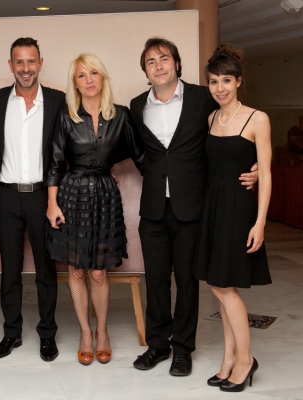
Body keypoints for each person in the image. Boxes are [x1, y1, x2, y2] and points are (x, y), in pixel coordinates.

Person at [129, 37, 258, 376]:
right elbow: (142, 151)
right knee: (155, 281)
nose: (158, 65)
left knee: (187, 282)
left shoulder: (204, 98)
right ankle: (157, 345)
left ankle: (183, 349)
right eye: (151, 61)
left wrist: (256, 167)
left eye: (164, 58)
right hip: (153, 208)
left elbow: (231, 134)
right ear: (145, 69)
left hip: (192, 208)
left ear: (176, 63)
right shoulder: (136, 104)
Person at [46, 53, 140, 365]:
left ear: (103, 78)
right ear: (75, 83)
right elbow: (56, 163)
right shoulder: (66, 117)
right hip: (72, 195)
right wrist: (51, 204)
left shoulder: (122, 116)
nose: (88, 80)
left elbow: (138, 153)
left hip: (104, 195)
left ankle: (103, 331)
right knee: (75, 269)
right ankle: (85, 332)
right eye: (81, 76)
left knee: (98, 272)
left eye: (93, 74)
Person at [195, 44, 272, 392]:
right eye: (214, 81)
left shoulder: (258, 118)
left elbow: (266, 174)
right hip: (212, 208)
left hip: (239, 210)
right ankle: (228, 358)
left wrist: (260, 222)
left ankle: (245, 360)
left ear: (239, 81)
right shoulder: (211, 118)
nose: (220, 87)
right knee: (217, 285)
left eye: (227, 80)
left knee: (227, 288)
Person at [0, 37, 66, 361]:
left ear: (40, 63)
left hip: (43, 198)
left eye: (31, 61)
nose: (25, 68)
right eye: (19, 62)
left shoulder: (58, 101)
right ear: (10, 66)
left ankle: (47, 334)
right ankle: (11, 334)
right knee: (10, 271)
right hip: (6, 197)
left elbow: (72, 145)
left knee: (47, 271)